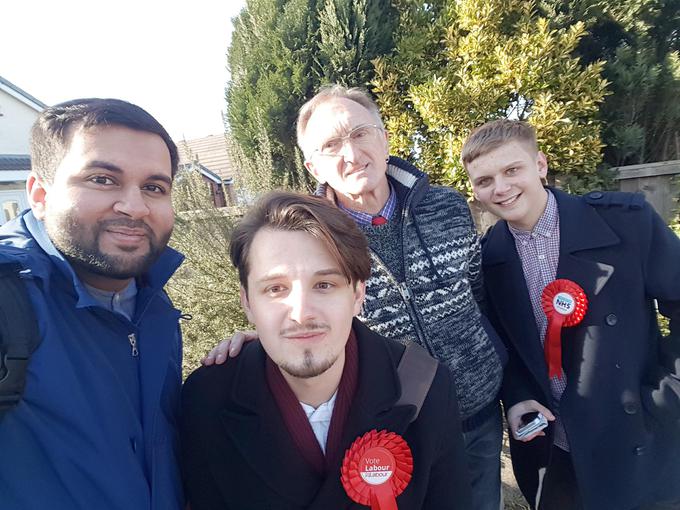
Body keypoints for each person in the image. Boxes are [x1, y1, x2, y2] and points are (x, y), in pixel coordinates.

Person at [205, 85, 507, 509]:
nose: (351, 153)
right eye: (331, 144)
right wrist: (265, 334)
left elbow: (481, 298)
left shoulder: (449, 207)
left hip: (479, 413)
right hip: (393, 430)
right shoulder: (313, 239)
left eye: (361, 134)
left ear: (384, 140)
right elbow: (298, 300)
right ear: (313, 165)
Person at [181, 191, 472, 509]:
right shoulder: (206, 399)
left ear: (358, 294)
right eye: (275, 289)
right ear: (248, 303)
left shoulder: (425, 388)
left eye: (324, 285)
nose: (301, 312)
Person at [462, 119, 680, 510]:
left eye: (512, 170)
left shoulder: (625, 222)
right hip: (552, 449)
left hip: (636, 439)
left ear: (540, 165)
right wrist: (517, 398)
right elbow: (504, 348)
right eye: (484, 180)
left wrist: (668, 394)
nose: (501, 188)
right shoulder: (487, 257)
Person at [0, 98, 185, 510]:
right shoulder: (9, 300)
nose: (134, 207)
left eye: (154, 187)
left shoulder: (152, 302)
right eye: (103, 180)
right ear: (40, 194)